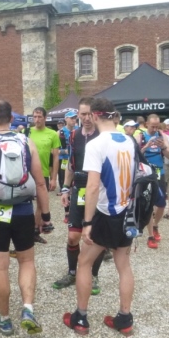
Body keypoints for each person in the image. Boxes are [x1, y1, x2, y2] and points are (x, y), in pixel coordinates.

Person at [0, 100, 52, 336]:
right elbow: (41, 183)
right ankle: (28, 308)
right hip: (23, 209)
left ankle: (4, 319)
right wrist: (45, 215)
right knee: (27, 261)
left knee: (1, 267)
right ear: (12, 119)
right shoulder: (26, 142)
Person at [63, 98, 136, 336]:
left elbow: (92, 187)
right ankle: (125, 318)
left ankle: (81, 317)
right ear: (113, 115)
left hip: (105, 212)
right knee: (123, 265)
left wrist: (86, 223)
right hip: (126, 211)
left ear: (94, 115)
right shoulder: (129, 140)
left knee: (84, 262)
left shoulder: (96, 144)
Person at [54, 96, 107, 295]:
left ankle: (93, 276)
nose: (86, 118)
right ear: (78, 114)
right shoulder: (74, 135)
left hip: (99, 190)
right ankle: (72, 272)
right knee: (73, 236)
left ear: (96, 115)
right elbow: (71, 164)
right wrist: (65, 188)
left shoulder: (103, 135)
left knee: (95, 238)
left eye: (90, 114)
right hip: (79, 187)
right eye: (83, 114)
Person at [135, 114, 169, 249]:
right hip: (146, 174)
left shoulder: (162, 136)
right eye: (152, 126)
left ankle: (155, 226)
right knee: (149, 205)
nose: (155, 129)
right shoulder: (140, 136)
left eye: (157, 126)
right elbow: (135, 155)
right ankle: (150, 236)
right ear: (147, 124)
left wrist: (163, 148)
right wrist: (146, 146)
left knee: (161, 204)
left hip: (159, 173)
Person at [29, 107, 61, 242]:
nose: (37, 120)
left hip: (43, 173)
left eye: (39, 117)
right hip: (27, 174)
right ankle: (25, 231)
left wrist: (54, 178)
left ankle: (35, 231)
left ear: (45, 118)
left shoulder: (52, 134)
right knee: (25, 204)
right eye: (35, 117)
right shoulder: (27, 132)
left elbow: (55, 157)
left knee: (41, 205)